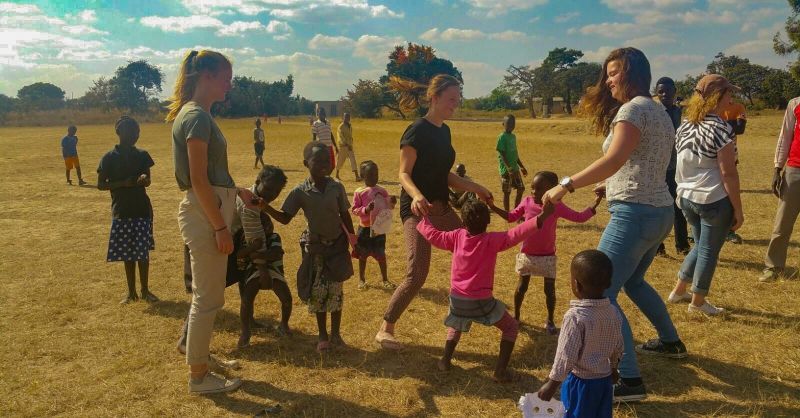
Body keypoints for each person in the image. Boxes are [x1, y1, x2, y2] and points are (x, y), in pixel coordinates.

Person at [542, 47, 686, 402]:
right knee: (634, 282)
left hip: (635, 213)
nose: (608, 80)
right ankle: (671, 342)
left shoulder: (633, 109)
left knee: (600, 293)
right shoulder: (658, 109)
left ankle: (631, 381)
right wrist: (613, 182)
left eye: (614, 72)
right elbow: (645, 159)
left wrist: (565, 185)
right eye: (607, 73)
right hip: (659, 211)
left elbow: (615, 157)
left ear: (633, 72)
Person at [375, 74, 493, 351]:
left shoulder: (444, 131)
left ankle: (477, 306)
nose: (456, 104)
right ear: (434, 97)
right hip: (418, 211)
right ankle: (385, 328)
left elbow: (445, 175)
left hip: (442, 208)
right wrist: (416, 196)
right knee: (417, 273)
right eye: (452, 99)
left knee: (474, 246)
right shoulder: (416, 130)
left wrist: (476, 187)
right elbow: (403, 173)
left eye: (458, 99)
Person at [168, 49, 258, 394]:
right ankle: (198, 376)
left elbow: (210, 177)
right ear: (206, 75)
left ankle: (198, 355)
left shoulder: (197, 115)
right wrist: (220, 226)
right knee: (208, 299)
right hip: (207, 215)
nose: (229, 84)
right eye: (225, 76)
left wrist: (237, 192)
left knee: (206, 296)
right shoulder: (197, 118)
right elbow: (198, 180)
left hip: (211, 209)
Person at [417, 199, 553, 382]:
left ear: (463, 222)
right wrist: (542, 216)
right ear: (488, 221)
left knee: (455, 324)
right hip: (482, 303)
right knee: (511, 327)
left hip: (457, 301)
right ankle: (500, 372)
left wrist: (422, 218)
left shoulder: (456, 236)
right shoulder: (492, 240)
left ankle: (445, 361)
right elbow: (517, 233)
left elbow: (434, 236)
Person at [262, 142, 355, 353]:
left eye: (327, 160)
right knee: (319, 292)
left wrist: (352, 238)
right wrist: (264, 207)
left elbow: (345, 214)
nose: (324, 164)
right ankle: (323, 335)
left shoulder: (336, 187)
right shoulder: (300, 192)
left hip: (337, 246)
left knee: (336, 291)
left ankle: (336, 334)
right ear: (306, 163)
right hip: (316, 249)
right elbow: (285, 218)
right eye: (318, 160)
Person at [666, 74, 742, 316]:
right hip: (713, 198)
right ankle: (698, 301)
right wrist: (738, 210)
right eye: (729, 93)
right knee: (709, 250)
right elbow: (728, 173)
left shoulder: (685, 125)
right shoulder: (721, 128)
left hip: (686, 197)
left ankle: (679, 290)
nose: (731, 97)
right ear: (718, 96)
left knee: (700, 246)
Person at [490, 171, 601, 333]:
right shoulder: (527, 201)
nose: (534, 192)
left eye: (540, 189)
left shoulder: (556, 206)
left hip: (547, 256)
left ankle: (550, 320)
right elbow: (511, 217)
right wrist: (492, 207)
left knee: (549, 291)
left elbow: (579, 217)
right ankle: (516, 317)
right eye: (533, 188)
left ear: (552, 190)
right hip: (527, 255)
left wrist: (595, 204)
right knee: (521, 288)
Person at [537, 250, 623, 418]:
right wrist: (613, 368)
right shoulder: (613, 312)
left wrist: (552, 384)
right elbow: (618, 345)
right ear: (609, 283)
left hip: (580, 383)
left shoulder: (575, 317)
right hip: (604, 381)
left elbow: (566, 355)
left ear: (576, 284)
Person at [97, 116, 158, 304]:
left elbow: (148, 179)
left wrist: (143, 180)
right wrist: (124, 183)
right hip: (122, 210)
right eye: (130, 131)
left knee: (142, 252)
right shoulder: (108, 158)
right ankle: (131, 292)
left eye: (137, 131)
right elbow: (100, 185)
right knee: (128, 253)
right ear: (119, 132)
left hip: (141, 209)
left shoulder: (142, 155)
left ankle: (146, 291)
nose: (134, 135)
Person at [236, 165, 293, 347]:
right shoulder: (250, 205)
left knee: (249, 293)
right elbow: (255, 239)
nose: (271, 194)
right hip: (255, 263)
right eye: (268, 189)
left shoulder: (257, 203)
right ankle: (246, 330)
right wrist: (262, 271)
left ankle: (275, 325)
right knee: (246, 295)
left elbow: (267, 245)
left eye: (276, 192)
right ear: (257, 182)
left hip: (257, 259)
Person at [761, 96, 800, 282]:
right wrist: (777, 168)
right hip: (795, 171)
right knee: (782, 224)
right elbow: (785, 137)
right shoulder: (795, 104)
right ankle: (773, 267)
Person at [654, 77, 690, 256]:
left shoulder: (680, 112)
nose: (664, 94)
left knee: (679, 207)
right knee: (659, 208)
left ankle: (682, 245)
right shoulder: (653, 112)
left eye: (668, 91)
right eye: (660, 91)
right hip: (658, 168)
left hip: (677, 168)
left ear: (675, 91)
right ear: (656, 93)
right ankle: (658, 247)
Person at [351, 160, 397, 290]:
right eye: (370, 175)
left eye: (376, 174)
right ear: (362, 175)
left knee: (381, 254)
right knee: (362, 255)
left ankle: (385, 279)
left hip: (379, 229)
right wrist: (365, 210)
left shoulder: (382, 191)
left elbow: (388, 207)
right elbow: (354, 209)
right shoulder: (359, 192)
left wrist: (392, 202)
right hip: (364, 229)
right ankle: (361, 279)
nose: (374, 177)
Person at [720, 98, 747, 245]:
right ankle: (696, 230)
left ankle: (729, 230)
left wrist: (716, 123)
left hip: (730, 153)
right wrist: (730, 123)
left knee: (729, 192)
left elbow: (740, 128)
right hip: (709, 154)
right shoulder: (709, 106)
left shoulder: (738, 107)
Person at [497, 115, 528, 213]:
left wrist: (522, 166)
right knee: (507, 192)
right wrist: (508, 168)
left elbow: (515, 154)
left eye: (513, 123)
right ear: (503, 124)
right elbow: (501, 154)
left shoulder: (513, 137)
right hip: (506, 170)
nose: (511, 125)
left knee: (521, 188)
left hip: (515, 169)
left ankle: (516, 212)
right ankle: (507, 214)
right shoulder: (502, 137)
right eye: (508, 123)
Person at [336, 112, 360, 181]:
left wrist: (351, 143)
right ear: (343, 117)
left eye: (348, 117)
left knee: (353, 160)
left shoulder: (349, 125)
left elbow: (350, 136)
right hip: (343, 146)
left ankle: (357, 176)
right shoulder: (341, 126)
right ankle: (337, 175)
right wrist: (346, 144)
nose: (347, 118)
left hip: (349, 146)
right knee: (340, 160)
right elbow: (340, 137)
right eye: (346, 117)